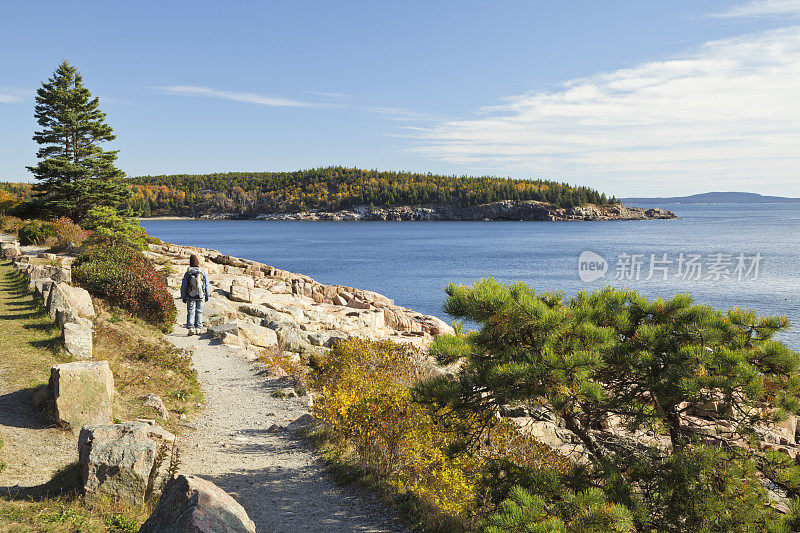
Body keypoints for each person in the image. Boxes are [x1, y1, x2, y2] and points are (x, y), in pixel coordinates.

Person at [180, 254, 211, 335]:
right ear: (197, 263)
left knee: (191, 311)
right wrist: (207, 295)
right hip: (201, 295)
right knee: (199, 311)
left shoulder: (188, 273)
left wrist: (183, 296)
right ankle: (198, 328)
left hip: (190, 295)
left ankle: (190, 328)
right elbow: (207, 285)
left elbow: (184, 286)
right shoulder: (202, 273)